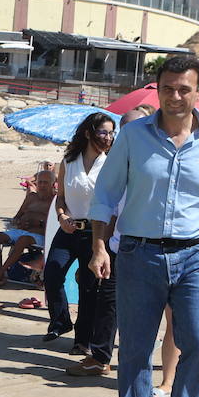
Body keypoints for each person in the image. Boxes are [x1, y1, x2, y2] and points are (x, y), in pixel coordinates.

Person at [88, 54, 199, 397]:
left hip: (194, 256)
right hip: (138, 253)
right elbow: (105, 195)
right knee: (135, 348)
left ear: (198, 92)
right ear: (158, 89)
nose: (175, 96)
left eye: (184, 89)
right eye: (167, 88)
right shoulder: (133, 136)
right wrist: (100, 247)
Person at [42, 112, 116, 355]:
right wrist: (62, 216)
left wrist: (104, 241)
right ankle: (61, 320)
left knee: (88, 287)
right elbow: (60, 197)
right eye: (103, 132)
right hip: (68, 229)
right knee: (52, 272)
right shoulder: (68, 162)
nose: (108, 137)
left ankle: (82, 341)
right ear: (88, 133)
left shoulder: (111, 164)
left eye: (111, 132)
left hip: (95, 233)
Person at [0, 169, 55, 285]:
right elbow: (16, 217)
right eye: (40, 182)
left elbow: (54, 224)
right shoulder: (31, 197)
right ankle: (1, 271)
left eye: (46, 183)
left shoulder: (55, 201)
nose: (42, 185)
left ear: (53, 184)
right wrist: (18, 222)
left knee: (22, 240)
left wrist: (39, 223)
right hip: (22, 231)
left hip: (40, 235)